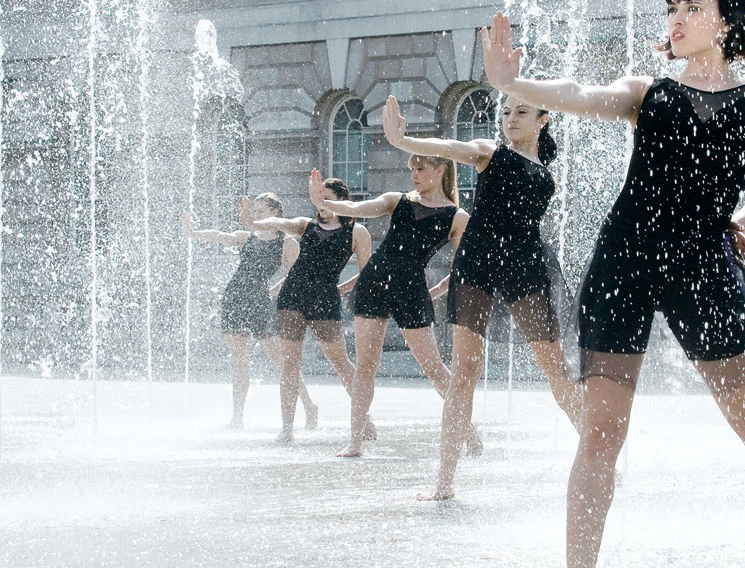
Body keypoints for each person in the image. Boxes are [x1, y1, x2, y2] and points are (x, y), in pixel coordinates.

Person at [483, 0, 745, 568]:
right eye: (671, 8)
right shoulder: (647, 91)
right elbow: (582, 95)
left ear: (725, 19)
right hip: (627, 257)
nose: (676, 18)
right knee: (600, 432)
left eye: (692, 7)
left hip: (704, 263)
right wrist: (515, 83)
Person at [373, 94, 583, 499]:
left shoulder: (546, 170)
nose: (510, 119)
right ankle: (444, 481)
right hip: (479, 259)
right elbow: (452, 148)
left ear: (543, 119)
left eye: (521, 111)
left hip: (526, 262)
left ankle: (598, 456)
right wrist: (406, 142)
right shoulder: (491, 152)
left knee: (554, 367)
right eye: (506, 112)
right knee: (465, 370)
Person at [310, 149, 468, 458]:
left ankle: (467, 429)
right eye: (412, 169)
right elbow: (360, 207)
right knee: (366, 365)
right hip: (374, 281)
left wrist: (436, 290)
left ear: (440, 171)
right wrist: (325, 203)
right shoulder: (398, 200)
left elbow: (462, 269)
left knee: (434, 367)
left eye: (420, 169)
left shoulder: (457, 217)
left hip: (412, 288)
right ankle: (355, 441)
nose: (414, 175)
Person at [181, 193, 320, 430]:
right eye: (254, 211)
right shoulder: (247, 237)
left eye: (261, 211)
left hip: (260, 303)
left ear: (275, 212)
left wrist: (275, 292)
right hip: (234, 299)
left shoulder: (287, 243)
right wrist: (191, 233)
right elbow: (220, 236)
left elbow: (294, 276)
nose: (256, 215)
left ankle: (309, 406)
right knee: (239, 361)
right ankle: (237, 416)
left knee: (282, 361)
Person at [244, 181, 367, 443]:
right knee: (290, 364)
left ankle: (364, 419)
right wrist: (252, 222)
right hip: (293, 297)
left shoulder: (357, 232)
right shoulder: (305, 225)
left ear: (342, 201)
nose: (320, 205)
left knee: (341, 364)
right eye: (318, 199)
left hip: (325, 300)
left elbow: (366, 273)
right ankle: (287, 428)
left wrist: (342, 289)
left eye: (327, 199)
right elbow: (275, 224)